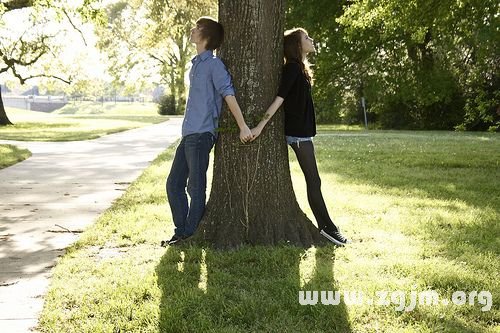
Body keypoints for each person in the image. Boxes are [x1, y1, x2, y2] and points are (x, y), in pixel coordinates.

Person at [251, 28, 349, 246]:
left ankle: (327, 227)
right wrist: (259, 126)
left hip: (303, 133)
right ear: (296, 45)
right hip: (297, 135)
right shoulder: (292, 69)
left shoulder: (300, 68)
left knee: (314, 180)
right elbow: (279, 99)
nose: (311, 39)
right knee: (314, 180)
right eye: (306, 37)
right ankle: (328, 229)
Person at [162, 17, 253, 246]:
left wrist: (243, 126)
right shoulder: (196, 66)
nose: (192, 30)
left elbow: (228, 94)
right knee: (174, 184)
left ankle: (189, 234)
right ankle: (182, 230)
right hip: (189, 134)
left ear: (206, 36)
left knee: (195, 186)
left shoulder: (214, 65)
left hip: (202, 135)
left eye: (197, 28)